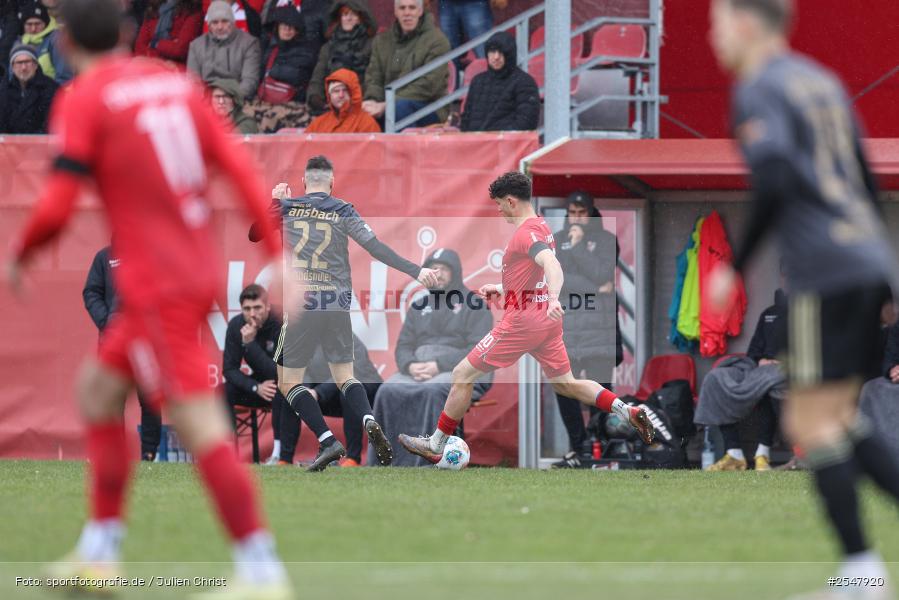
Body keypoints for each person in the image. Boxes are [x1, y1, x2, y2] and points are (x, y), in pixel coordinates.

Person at [4, 1, 290, 596]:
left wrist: (20, 253)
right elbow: (237, 165)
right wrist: (279, 252)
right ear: (128, 34)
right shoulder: (173, 85)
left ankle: (262, 569)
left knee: (196, 421)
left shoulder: (85, 97)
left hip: (158, 282)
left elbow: (58, 203)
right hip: (179, 273)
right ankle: (100, 552)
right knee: (98, 392)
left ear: (68, 47)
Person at [707, 0, 899, 595]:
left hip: (827, 269)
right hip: (866, 259)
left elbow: (778, 180)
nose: (714, 38)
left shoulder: (760, 87)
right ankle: (863, 569)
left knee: (812, 422)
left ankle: (861, 572)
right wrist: (885, 277)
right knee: (838, 420)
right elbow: (863, 183)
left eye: (716, 22)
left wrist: (734, 267)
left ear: (744, 23)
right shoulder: (823, 82)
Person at [398, 172, 654, 463]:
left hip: (522, 323)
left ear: (511, 201)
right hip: (545, 323)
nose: (498, 211)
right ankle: (627, 411)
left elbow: (551, 265)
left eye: (498, 204)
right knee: (565, 383)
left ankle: (436, 442)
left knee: (461, 374)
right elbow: (533, 274)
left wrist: (555, 297)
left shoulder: (525, 234)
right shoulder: (542, 226)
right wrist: (504, 288)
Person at [249, 155, 440, 471]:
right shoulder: (343, 209)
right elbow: (375, 247)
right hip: (336, 302)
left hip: (303, 303)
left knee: (287, 382)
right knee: (345, 376)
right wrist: (416, 270)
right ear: (331, 183)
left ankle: (327, 441)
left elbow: (255, 234)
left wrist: (274, 202)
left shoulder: (289, 206)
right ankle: (367, 418)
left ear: (304, 181)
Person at [371, 247, 493, 467]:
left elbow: (480, 350)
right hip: (417, 370)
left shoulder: (475, 305)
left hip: (461, 372)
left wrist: (438, 365)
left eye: (444, 269)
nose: (438, 273)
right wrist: (409, 366)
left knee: (434, 391)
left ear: (455, 273)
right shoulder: (419, 305)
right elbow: (403, 347)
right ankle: (383, 462)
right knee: (387, 390)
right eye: (433, 269)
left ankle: (431, 461)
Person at [550, 191, 623, 468]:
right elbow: (559, 280)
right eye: (572, 212)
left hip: (599, 330)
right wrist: (595, 288)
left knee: (599, 390)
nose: (577, 218)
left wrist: (579, 249)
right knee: (564, 389)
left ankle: (598, 448)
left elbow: (604, 273)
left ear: (591, 214)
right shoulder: (556, 241)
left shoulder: (606, 240)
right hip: (565, 328)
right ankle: (577, 448)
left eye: (582, 212)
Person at [83, 245, 163, 462]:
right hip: (113, 341)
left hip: (147, 341)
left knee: (150, 399)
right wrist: (108, 322)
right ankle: (113, 453)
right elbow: (91, 292)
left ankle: (149, 455)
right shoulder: (104, 257)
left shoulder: (153, 253)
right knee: (110, 399)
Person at [698, 281, 788, 472]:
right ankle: (734, 454)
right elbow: (753, 352)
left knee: (769, 382)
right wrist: (761, 360)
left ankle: (762, 454)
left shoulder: (811, 309)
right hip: (758, 368)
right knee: (715, 378)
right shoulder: (768, 314)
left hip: (789, 372)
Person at [279, 333, 381, 467]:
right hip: (329, 394)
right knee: (291, 393)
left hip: (365, 392)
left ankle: (353, 459)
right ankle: (284, 459)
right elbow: (303, 371)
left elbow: (350, 373)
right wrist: (305, 391)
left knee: (347, 392)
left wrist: (318, 392)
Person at [223, 284, 287, 465]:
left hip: (282, 382)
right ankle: (227, 452)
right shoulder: (236, 326)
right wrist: (255, 387)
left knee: (283, 387)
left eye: (257, 307)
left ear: (267, 306)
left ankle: (278, 453)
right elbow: (229, 369)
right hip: (258, 387)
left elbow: (278, 372)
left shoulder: (281, 323)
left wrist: (250, 345)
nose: (252, 314)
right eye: (247, 309)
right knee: (223, 391)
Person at [362, 0, 451, 128]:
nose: (407, 13)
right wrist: (372, 101)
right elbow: (374, 78)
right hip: (388, 104)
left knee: (400, 108)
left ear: (420, 11)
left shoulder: (437, 40)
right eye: (402, 8)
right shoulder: (381, 41)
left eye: (412, 8)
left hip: (430, 107)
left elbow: (429, 85)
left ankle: (401, 148)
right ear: (396, 12)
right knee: (362, 112)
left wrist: (388, 104)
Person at [242, 6, 313, 133]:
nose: (287, 30)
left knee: (269, 122)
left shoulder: (306, 52)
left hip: (293, 104)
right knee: (244, 117)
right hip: (266, 101)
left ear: (297, 30)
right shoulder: (271, 50)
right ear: (277, 27)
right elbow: (260, 76)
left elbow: (303, 81)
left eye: (292, 27)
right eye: (284, 25)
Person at [460, 30, 540, 132]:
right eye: (492, 51)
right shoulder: (477, 81)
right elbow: (466, 119)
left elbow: (526, 122)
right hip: (476, 145)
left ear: (510, 54)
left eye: (501, 52)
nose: (496, 57)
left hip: (506, 145)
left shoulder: (524, 82)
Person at [306, 0, 376, 114]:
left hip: (360, 104)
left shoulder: (372, 45)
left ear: (361, 18)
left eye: (353, 14)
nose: (349, 18)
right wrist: (316, 99)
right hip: (329, 105)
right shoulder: (328, 47)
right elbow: (317, 78)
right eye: (345, 14)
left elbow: (372, 79)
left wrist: (353, 100)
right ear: (340, 18)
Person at [187, 0, 261, 101]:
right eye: (215, 22)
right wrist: (209, 100)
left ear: (232, 22)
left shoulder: (249, 44)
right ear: (209, 25)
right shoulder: (196, 46)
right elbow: (193, 82)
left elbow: (250, 81)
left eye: (225, 21)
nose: (220, 27)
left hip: (238, 100)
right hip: (206, 100)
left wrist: (229, 99)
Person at [0, 43, 57, 133]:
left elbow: (50, 123)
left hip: (39, 143)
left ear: (35, 65)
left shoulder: (51, 88)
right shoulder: (3, 89)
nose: (23, 67)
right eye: (19, 63)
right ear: (12, 67)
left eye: (27, 62)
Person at [305, 68, 380, 133]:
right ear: (329, 95)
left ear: (353, 93)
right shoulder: (317, 125)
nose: (341, 95)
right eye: (336, 91)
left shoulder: (367, 123)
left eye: (345, 90)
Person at [133, 0, 203, 67]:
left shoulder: (193, 11)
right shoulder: (154, 9)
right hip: (152, 64)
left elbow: (180, 50)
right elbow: (139, 47)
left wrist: (154, 44)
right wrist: (159, 60)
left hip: (176, 68)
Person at [439, 0, 504, 67]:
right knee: (449, 56)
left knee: (483, 51)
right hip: (446, 4)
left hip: (475, 3)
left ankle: (492, 76)